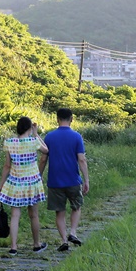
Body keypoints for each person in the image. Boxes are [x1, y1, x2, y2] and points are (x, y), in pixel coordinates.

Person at [40, 108, 89, 252]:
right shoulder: (76, 137)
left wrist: (39, 175)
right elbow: (82, 159)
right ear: (72, 119)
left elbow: (43, 159)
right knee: (76, 206)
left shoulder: (49, 137)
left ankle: (63, 240)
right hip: (73, 180)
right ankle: (73, 232)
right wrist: (86, 179)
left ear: (57, 119)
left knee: (59, 212)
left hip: (55, 181)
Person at [0, 116, 48, 255]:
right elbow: (46, 150)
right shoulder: (33, 141)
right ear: (29, 128)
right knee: (34, 215)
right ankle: (36, 244)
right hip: (32, 182)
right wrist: (36, 134)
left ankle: (13, 247)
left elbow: (7, 166)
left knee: (15, 215)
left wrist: (1, 185)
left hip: (15, 182)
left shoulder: (9, 142)